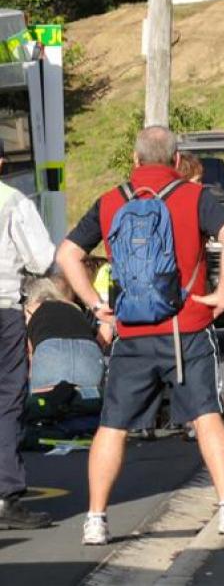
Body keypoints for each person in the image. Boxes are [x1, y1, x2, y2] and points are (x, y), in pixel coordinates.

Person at [56, 125, 224, 544]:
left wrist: (95, 304)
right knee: (206, 415)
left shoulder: (110, 201)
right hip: (188, 328)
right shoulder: (194, 196)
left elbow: (68, 254)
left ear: (135, 159)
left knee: (113, 426)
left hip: (132, 332)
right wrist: (222, 292)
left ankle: (95, 519)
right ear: (178, 160)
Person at [0, 154, 54, 529]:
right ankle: (6, 498)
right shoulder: (11, 201)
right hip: (2, 309)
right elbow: (42, 259)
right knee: (6, 401)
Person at [23, 276, 105, 395]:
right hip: (89, 356)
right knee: (85, 405)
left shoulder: (29, 309)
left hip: (51, 354)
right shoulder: (74, 307)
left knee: (43, 405)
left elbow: (29, 353)